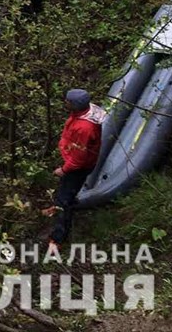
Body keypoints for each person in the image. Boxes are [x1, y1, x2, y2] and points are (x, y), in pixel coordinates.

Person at [46, 89, 106, 251]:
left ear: (75, 105)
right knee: (67, 190)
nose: (65, 102)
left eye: (68, 101)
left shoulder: (84, 128)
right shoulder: (84, 112)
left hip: (77, 167)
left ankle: (57, 238)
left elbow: (79, 159)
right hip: (73, 159)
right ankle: (66, 203)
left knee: (63, 200)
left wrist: (64, 170)